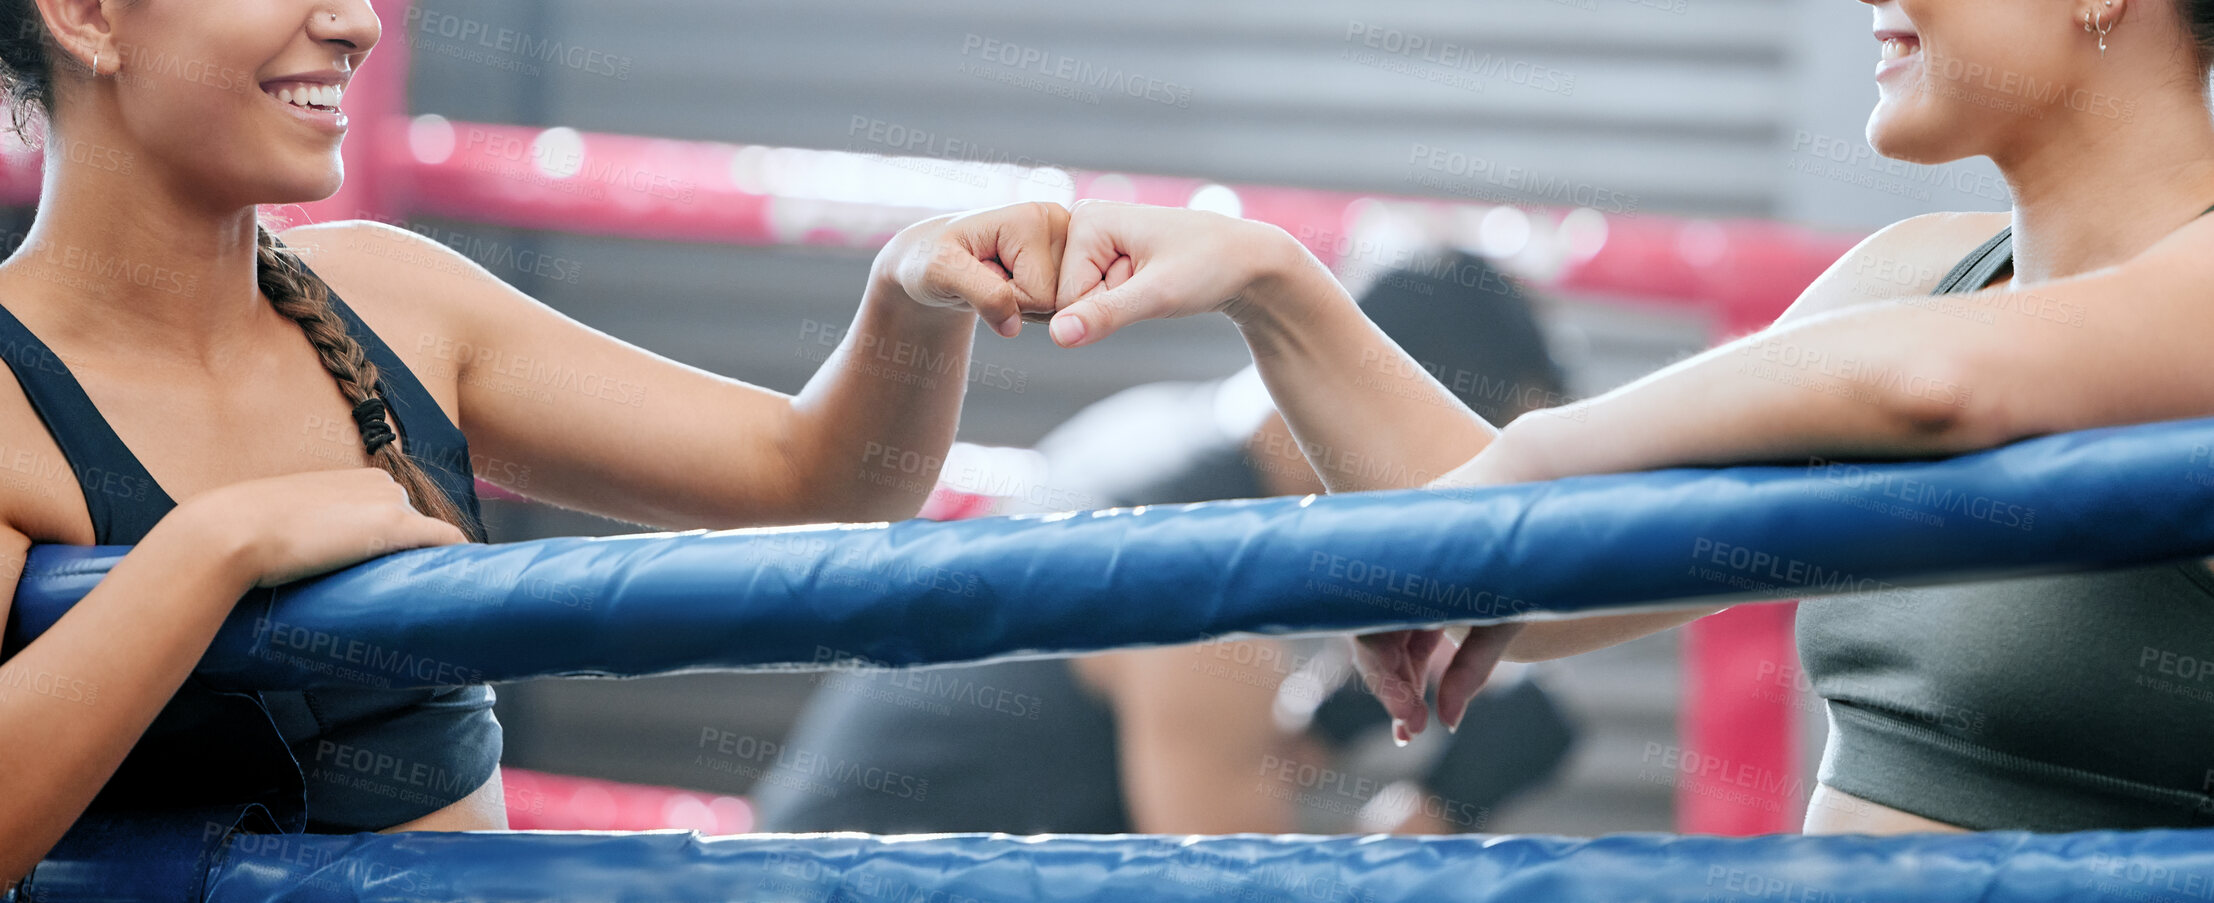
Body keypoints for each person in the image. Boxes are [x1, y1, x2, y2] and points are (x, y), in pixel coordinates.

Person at [1030, 0, 2214, 834]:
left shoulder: (1986, 330)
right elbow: (1533, 576)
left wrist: (1542, 451)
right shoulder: (1915, 279)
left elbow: (1939, 386)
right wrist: (1276, 290)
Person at [0, 1, 1065, 881]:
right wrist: (217, 547)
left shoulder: (397, 301)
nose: (356, 23)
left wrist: (913, 299)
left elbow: (821, 481)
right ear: (89, 15)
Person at [753, 250, 1575, 836]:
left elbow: (1141, 734)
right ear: (1393, 421)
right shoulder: (1200, 562)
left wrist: (1333, 721)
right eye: (1462, 468)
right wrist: (1444, 808)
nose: (1450, 514)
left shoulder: (1157, 433)